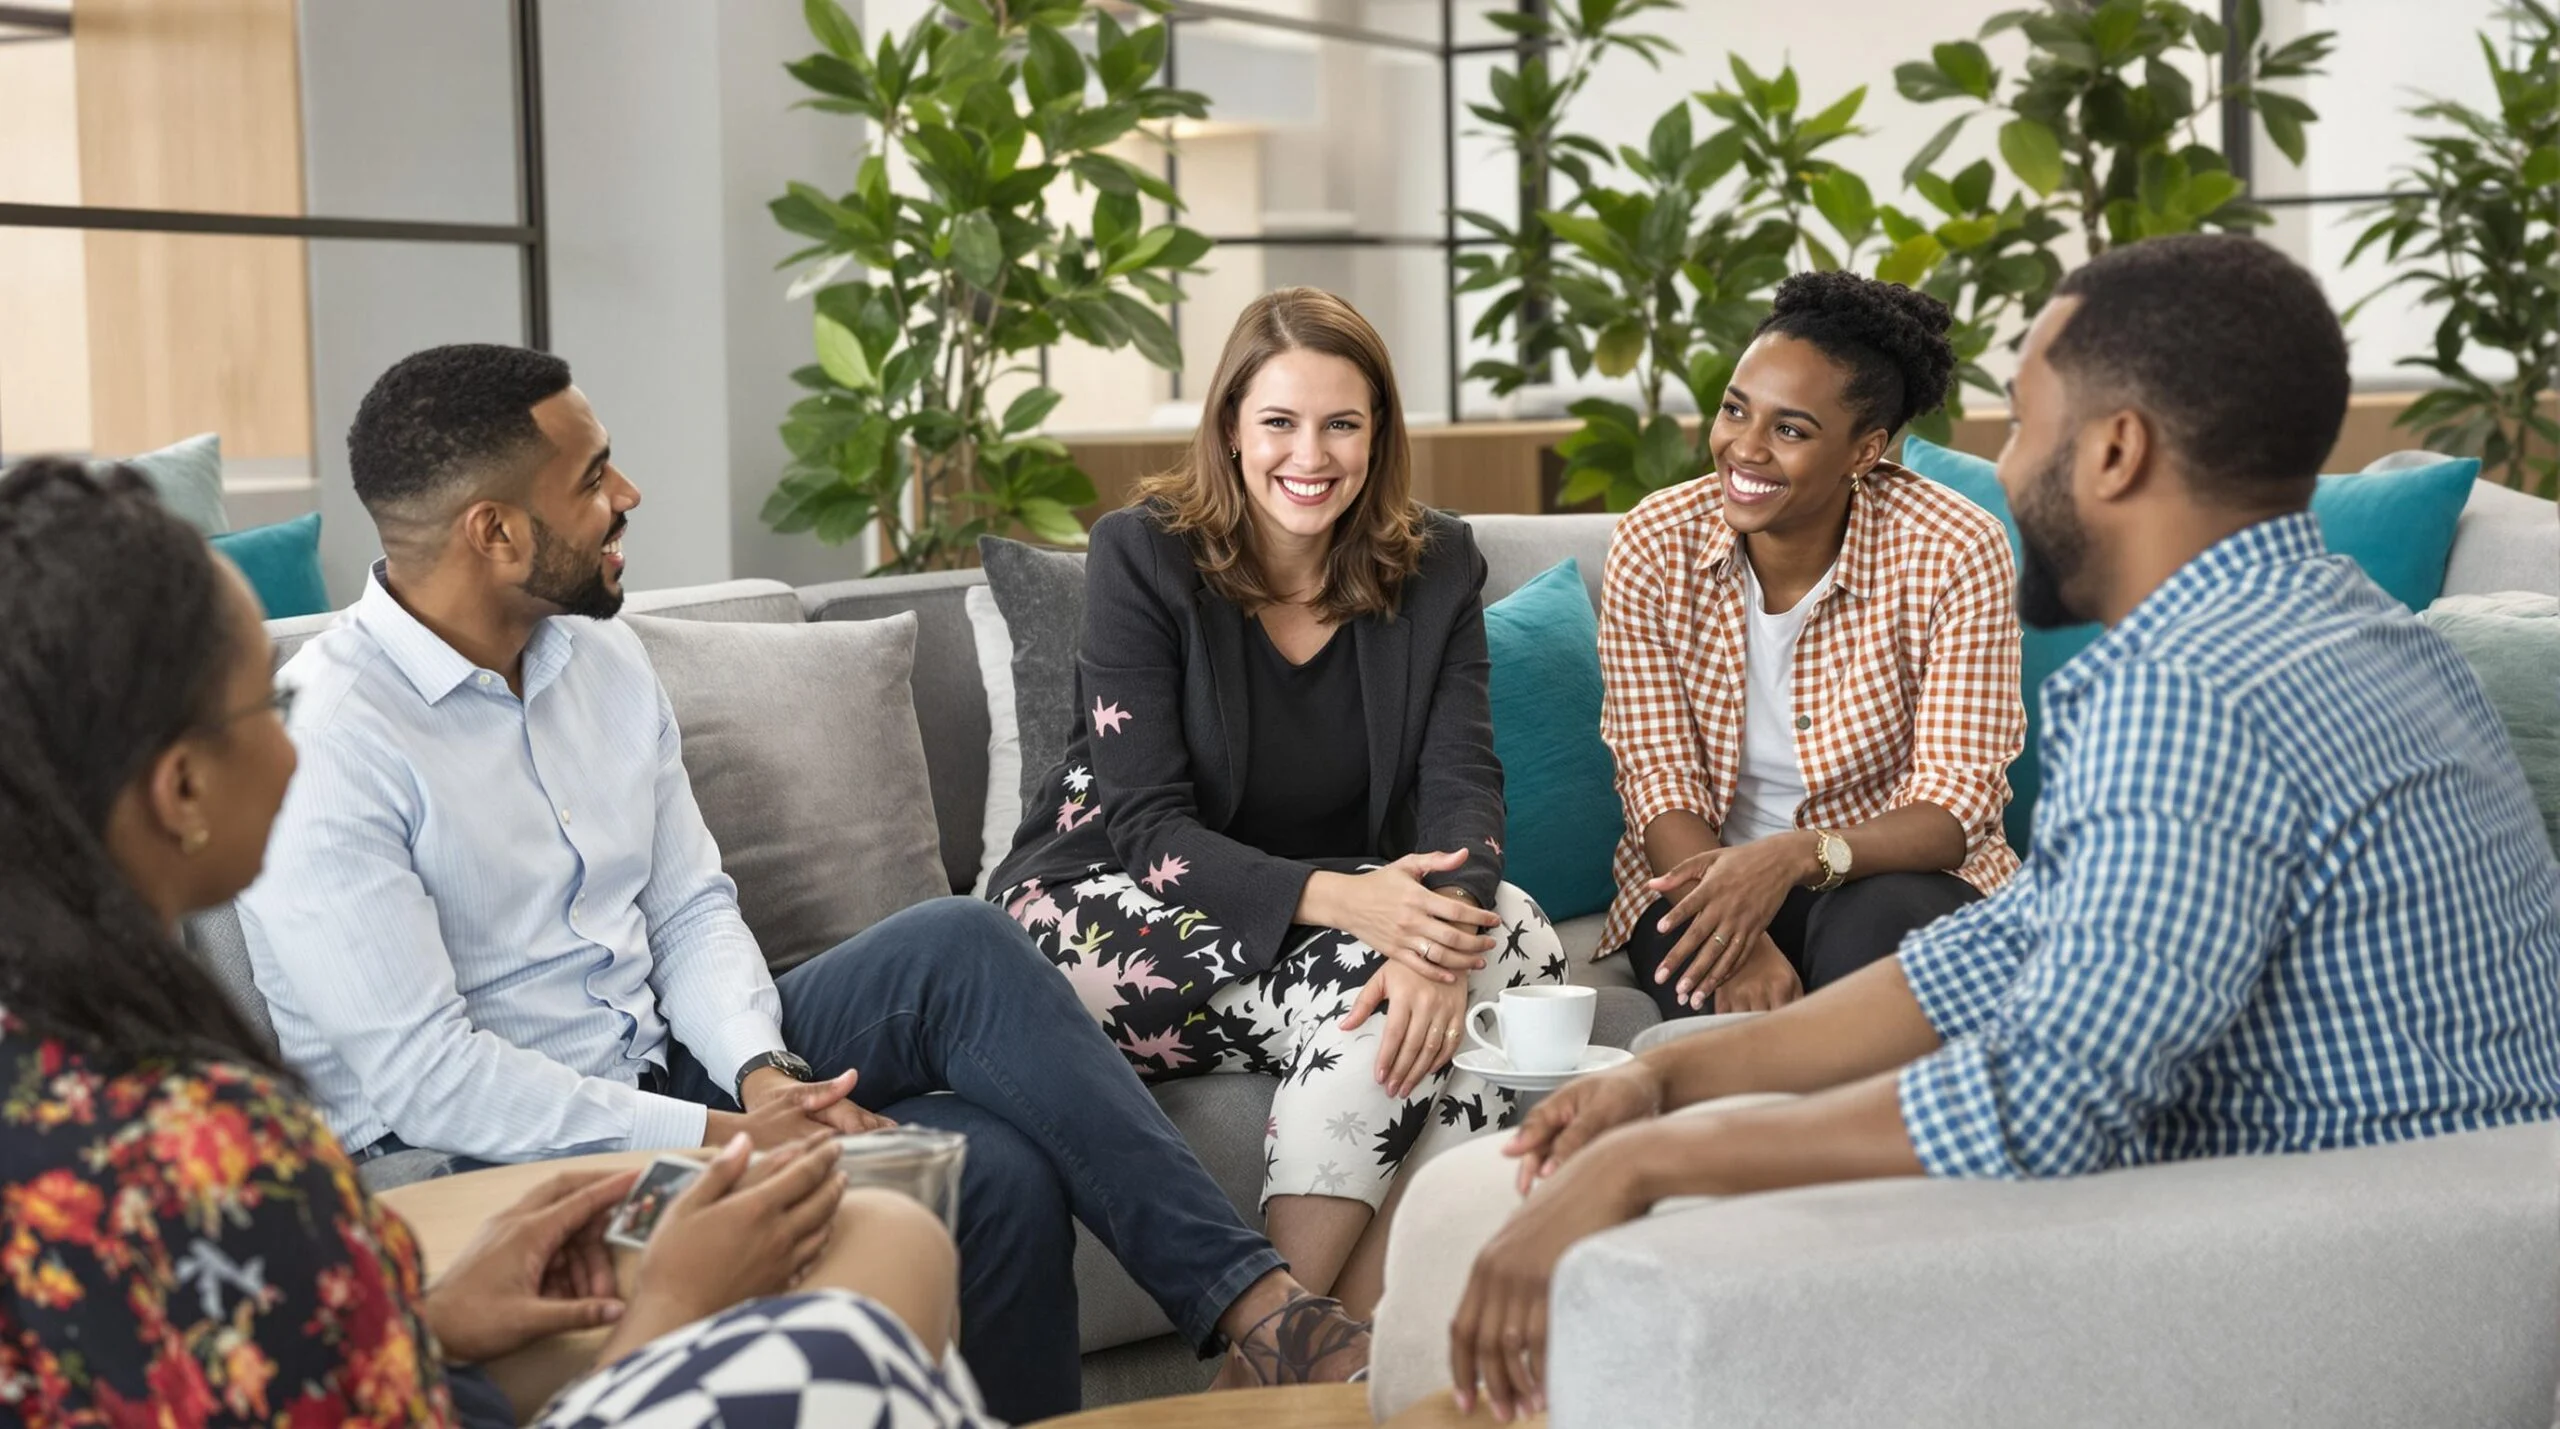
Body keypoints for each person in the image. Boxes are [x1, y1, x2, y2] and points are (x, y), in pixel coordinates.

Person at [1399, 235, 2560, 1422]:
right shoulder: (2366, 633)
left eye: (2021, 423)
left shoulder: (2184, 690)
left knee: (1496, 1238)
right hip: (2431, 1247)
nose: (2002, 463)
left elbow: (2046, 1095)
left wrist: (1651, 1156)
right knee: (1502, 1235)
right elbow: (2007, 949)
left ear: (2114, 451)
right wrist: (1677, 1071)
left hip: (2290, 1272)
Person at [235, 346, 1367, 1423]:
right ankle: (1270, 1319)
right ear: (492, 530)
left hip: (665, 1061)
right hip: (479, 1156)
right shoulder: (329, 741)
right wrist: (721, 1134)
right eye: (591, 480)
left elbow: (686, 906)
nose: (629, 492)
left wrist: (762, 1074)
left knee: (962, 968)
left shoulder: (600, 657)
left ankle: (1258, 1310)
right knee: (998, 1164)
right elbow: (431, 1081)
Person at [0, 458, 991, 1428]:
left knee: (906, 1200)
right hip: (468, 1164)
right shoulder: (209, 1148)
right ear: (180, 790)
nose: (295, 735)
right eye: (268, 700)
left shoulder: (68, 1072)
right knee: (869, 1292)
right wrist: (670, 1308)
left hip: (502, 1248)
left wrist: (430, 1319)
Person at [987, 287, 1566, 1334]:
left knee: (1512, 936)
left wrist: (1432, 939)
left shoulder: (1435, 563)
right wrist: (1361, 911)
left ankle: (1322, 1347)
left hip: (1304, 921)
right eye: (1280, 423)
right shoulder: (1144, 553)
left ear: (1378, 433)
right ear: (1229, 431)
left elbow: (1463, 782)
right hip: (1100, 906)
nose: (1313, 454)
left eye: (1343, 423)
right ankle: (1292, 1356)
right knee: (1389, 981)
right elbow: (1150, 825)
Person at [1598, 271, 2025, 1020]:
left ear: (1864, 452)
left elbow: (1955, 805)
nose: (1744, 448)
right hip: (1696, 879)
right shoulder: (1654, 541)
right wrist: (1738, 926)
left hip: (1884, 877)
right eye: (1736, 410)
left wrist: (1796, 855)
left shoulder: (1956, 549)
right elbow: (1658, 778)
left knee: (1876, 946)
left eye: (1791, 430)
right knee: (1719, 1000)